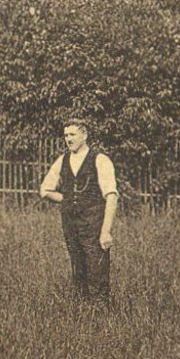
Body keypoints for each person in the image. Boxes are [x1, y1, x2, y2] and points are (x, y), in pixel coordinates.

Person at [39, 115, 118, 302]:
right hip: (70, 224)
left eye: (72, 134)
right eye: (66, 135)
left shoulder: (100, 159)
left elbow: (112, 196)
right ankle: (81, 314)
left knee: (97, 270)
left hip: (93, 224)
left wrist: (106, 231)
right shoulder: (63, 160)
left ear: (84, 135)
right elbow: (45, 190)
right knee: (78, 269)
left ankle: (101, 316)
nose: (69, 139)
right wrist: (67, 199)